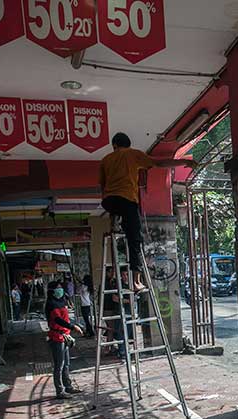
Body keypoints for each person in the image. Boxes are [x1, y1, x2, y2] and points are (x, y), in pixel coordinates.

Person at [99, 132, 195, 292]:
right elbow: (159, 163)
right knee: (134, 239)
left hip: (109, 202)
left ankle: (114, 223)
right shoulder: (132, 154)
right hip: (127, 200)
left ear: (114, 145)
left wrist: (109, 203)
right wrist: (183, 161)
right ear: (128, 144)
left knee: (118, 219)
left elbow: (102, 186)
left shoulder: (105, 160)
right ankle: (136, 281)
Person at [47, 285, 84, 399]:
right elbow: (58, 320)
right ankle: (60, 390)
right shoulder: (51, 304)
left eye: (60, 288)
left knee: (66, 363)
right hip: (57, 336)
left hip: (65, 336)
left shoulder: (61, 302)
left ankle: (68, 386)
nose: (60, 290)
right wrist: (73, 327)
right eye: (57, 288)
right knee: (59, 364)